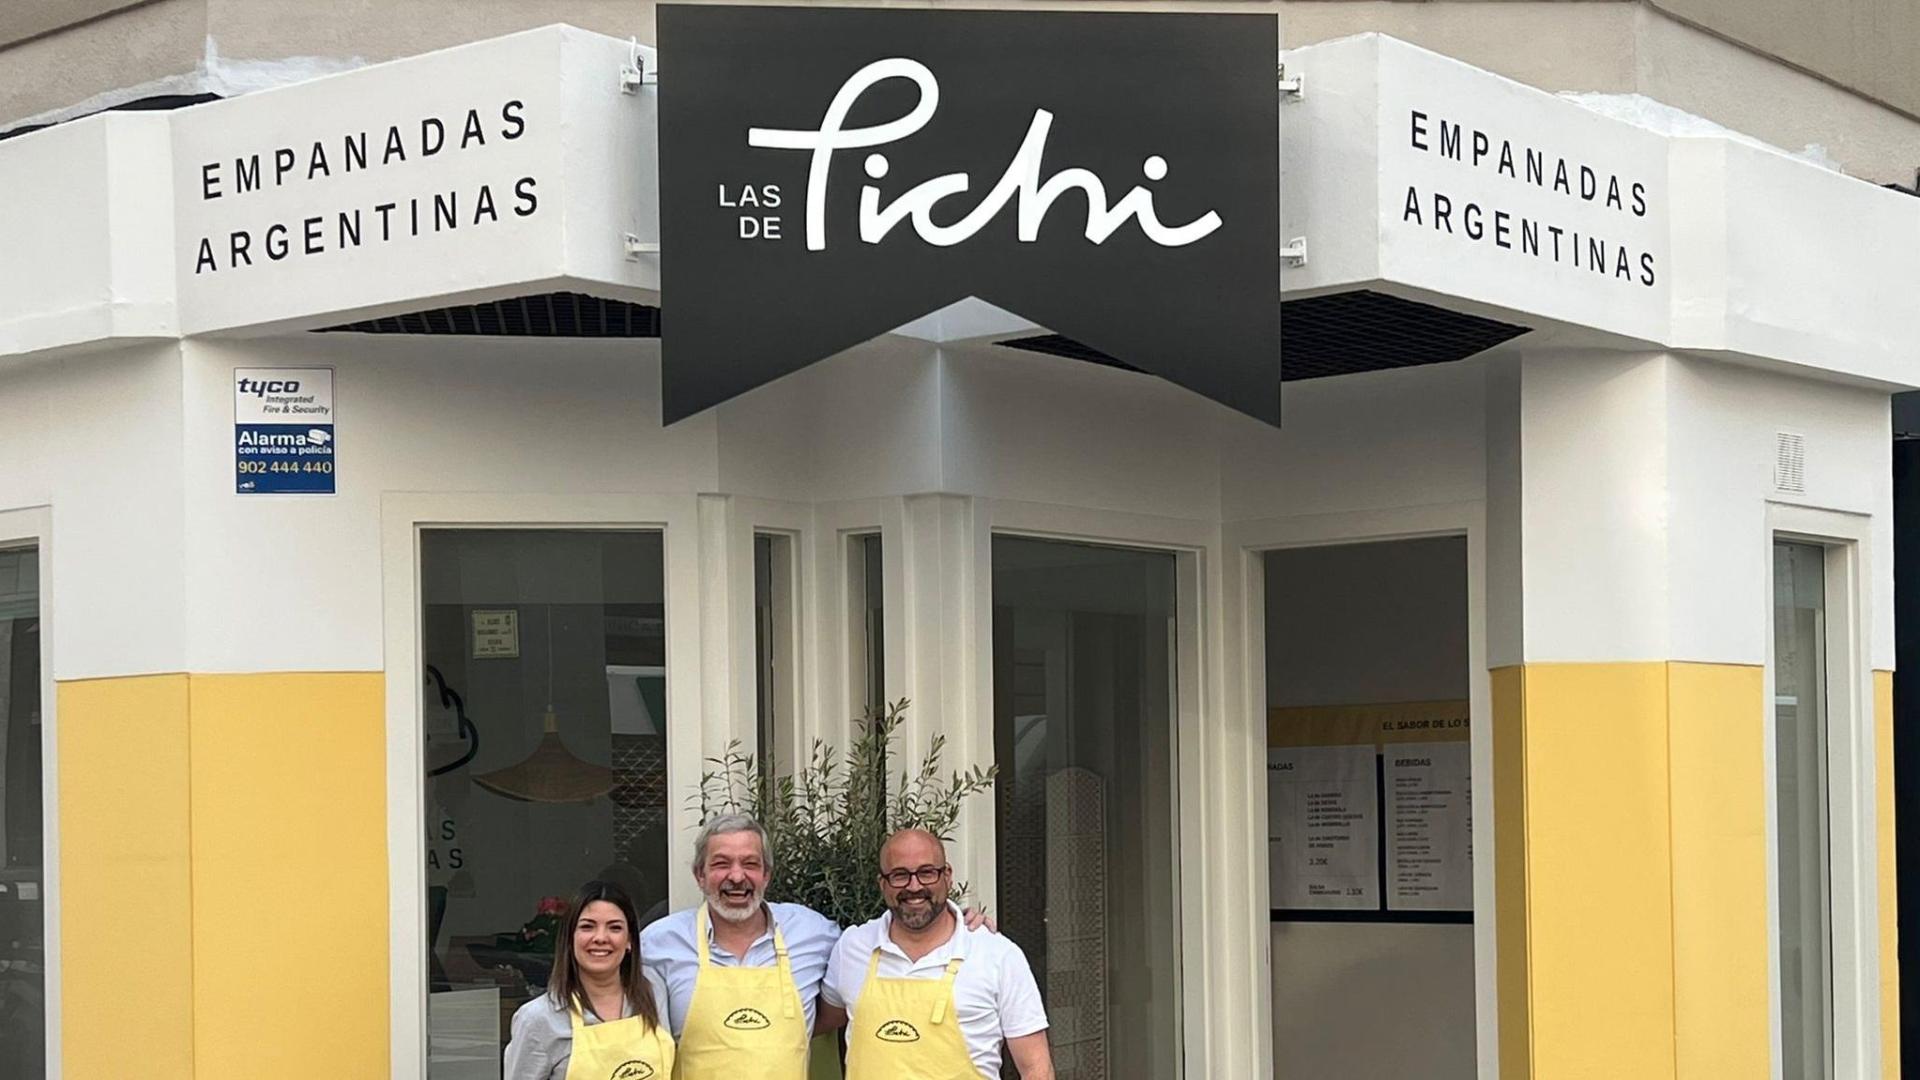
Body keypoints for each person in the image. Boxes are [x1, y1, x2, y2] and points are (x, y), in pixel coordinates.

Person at [640, 814, 997, 1080]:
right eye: (721, 864)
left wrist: (955, 923)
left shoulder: (814, 933)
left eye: (750, 864)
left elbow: (889, 943)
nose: (737, 876)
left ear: (767, 874)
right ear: (699, 875)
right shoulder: (657, 945)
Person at [823, 829, 1054, 1080]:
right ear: (883, 884)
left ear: (947, 876)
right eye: (900, 875)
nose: (914, 886)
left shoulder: (997, 955)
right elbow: (813, 1019)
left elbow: (1036, 1069)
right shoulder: (852, 947)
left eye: (926, 873)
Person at [505, 880, 675, 1080]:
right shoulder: (537, 1020)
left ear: (629, 940)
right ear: (570, 938)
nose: (601, 937)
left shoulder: (654, 991)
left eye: (614, 928)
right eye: (588, 927)